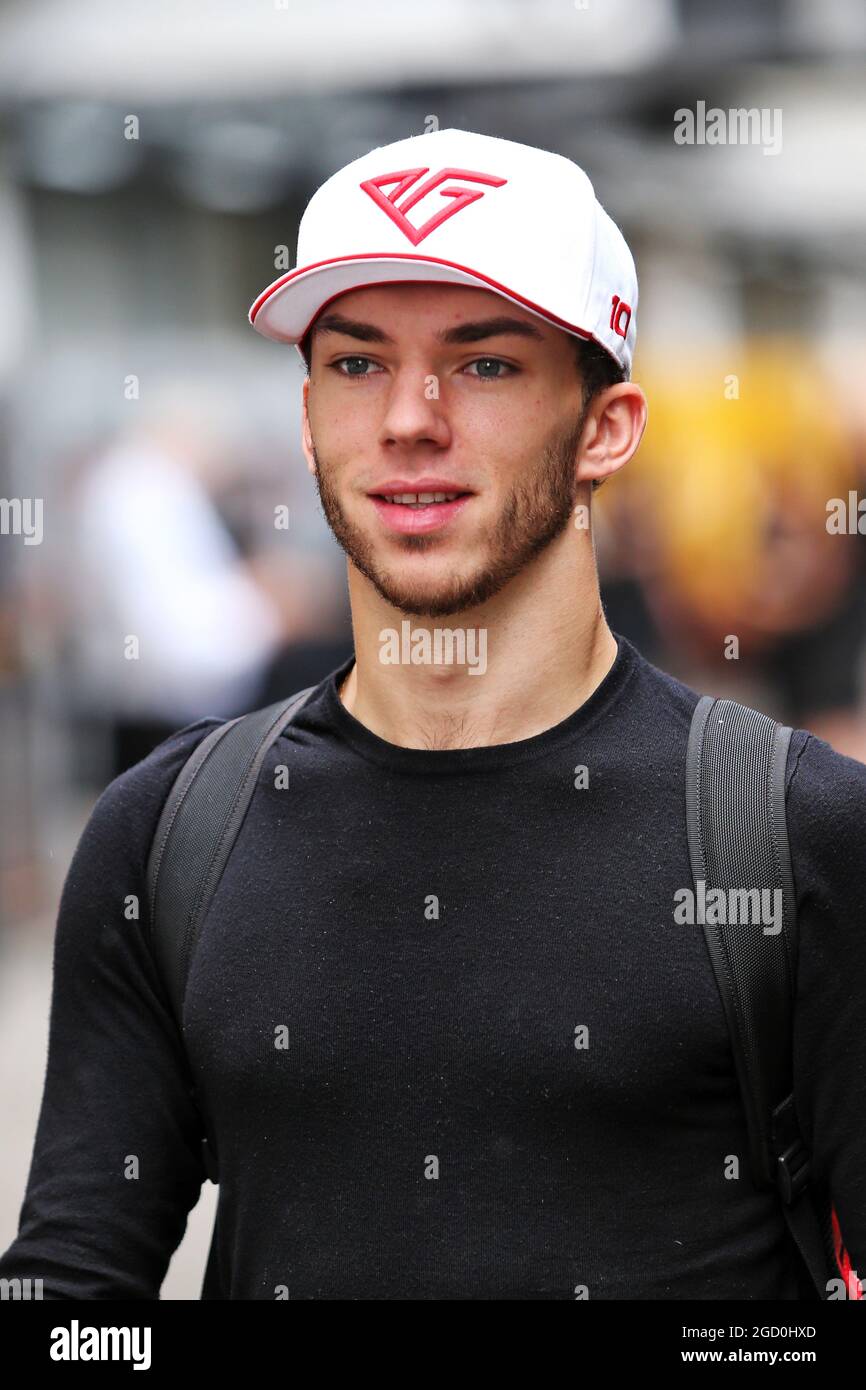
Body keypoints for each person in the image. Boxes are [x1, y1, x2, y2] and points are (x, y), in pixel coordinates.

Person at [1, 128, 864, 1301]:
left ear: (604, 428)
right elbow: (71, 1291)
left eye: (485, 363)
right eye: (356, 364)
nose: (409, 418)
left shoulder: (791, 830)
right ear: (307, 419)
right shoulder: (169, 834)